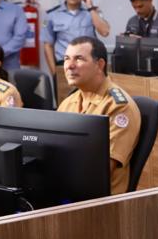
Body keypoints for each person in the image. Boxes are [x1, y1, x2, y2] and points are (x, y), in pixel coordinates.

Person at [57, 36, 141, 195]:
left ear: (100, 65)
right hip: (69, 187)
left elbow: (101, 169)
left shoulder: (119, 106)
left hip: (101, 200)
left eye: (79, 59)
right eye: (66, 58)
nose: (69, 65)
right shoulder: (68, 102)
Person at [43, 0, 110, 69]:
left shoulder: (92, 12)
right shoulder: (51, 15)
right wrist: (54, 73)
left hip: (89, 65)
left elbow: (105, 32)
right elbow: (48, 46)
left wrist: (90, 8)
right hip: (65, 65)